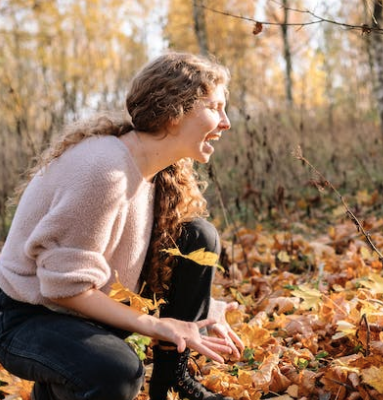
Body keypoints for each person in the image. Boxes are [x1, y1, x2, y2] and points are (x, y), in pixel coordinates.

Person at [0, 52, 244, 400]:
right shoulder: (104, 171)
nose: (225, 122)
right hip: (27, 317)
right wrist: (159, 325)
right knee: (116, 371)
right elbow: (62, 289)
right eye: (215, 107)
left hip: (86, 307)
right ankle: (62, 380)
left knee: (197, 237)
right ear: (175, 113)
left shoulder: (158, 168)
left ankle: (170, 381)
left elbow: (135, 261)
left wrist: (202, 308)